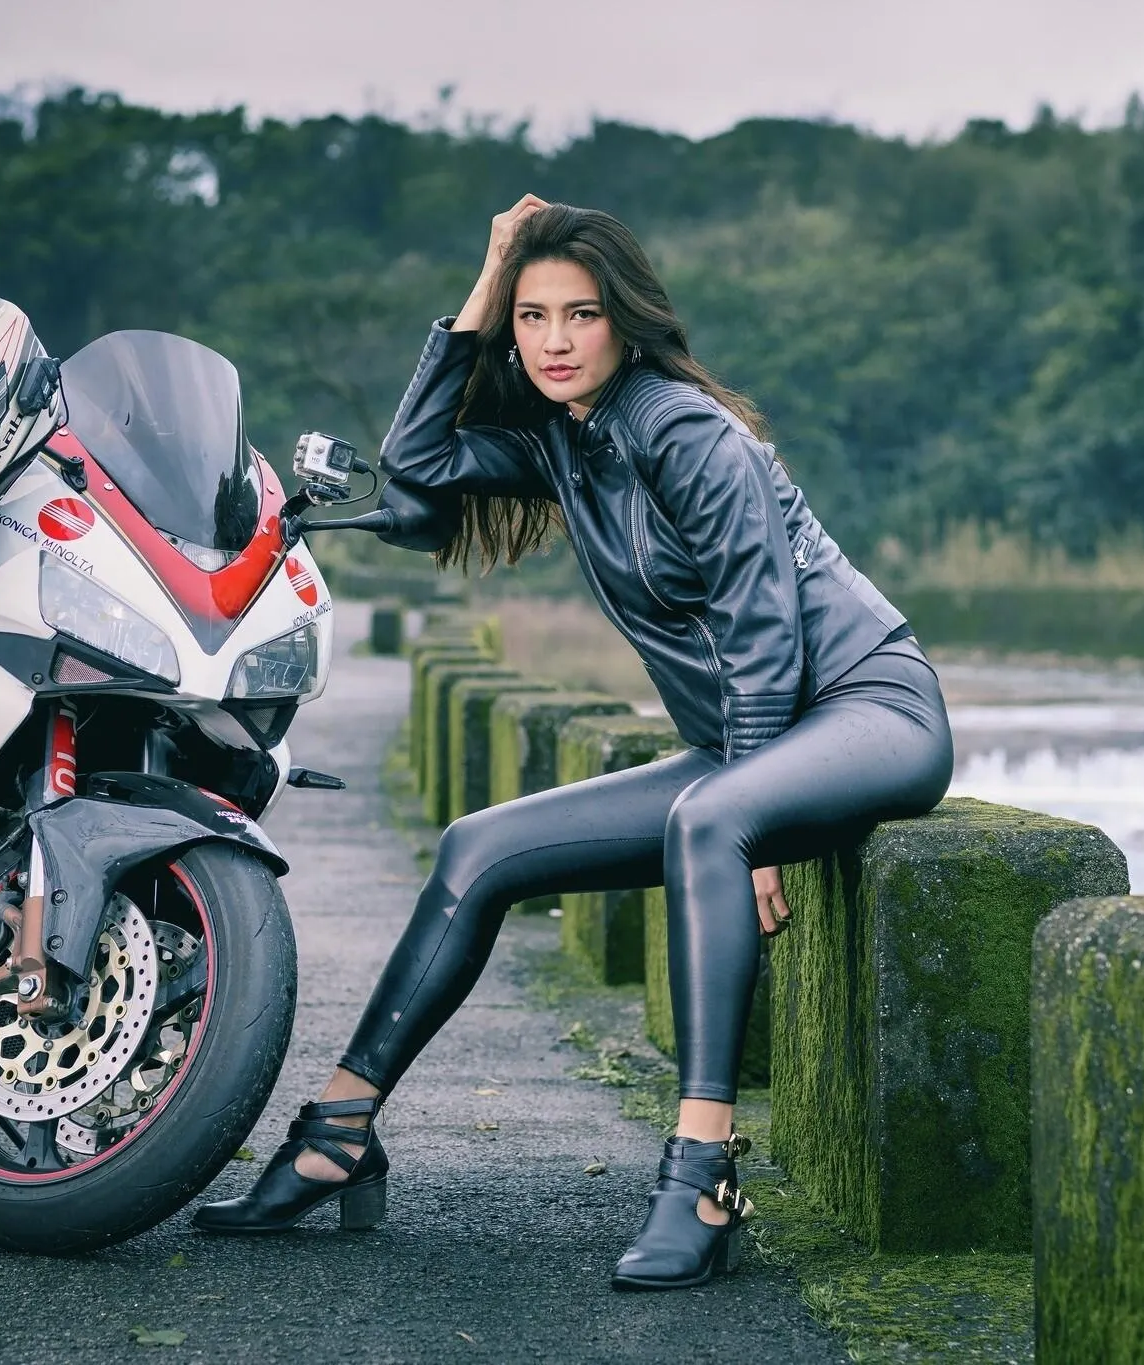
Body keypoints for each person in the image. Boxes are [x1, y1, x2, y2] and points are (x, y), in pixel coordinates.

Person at [194, 196, 954, 1291]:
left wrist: (767, 823)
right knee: (475, 848)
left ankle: (702, 1174)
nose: (552, 340)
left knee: (712, 816)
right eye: (531, 316)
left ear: (624, 323)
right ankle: (338, 1132)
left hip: (865, 708)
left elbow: (760, 622)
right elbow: (414, 470)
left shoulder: (684, 431)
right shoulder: (564, 440)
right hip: (750, 750)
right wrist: (490, 265)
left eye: (579, 315)